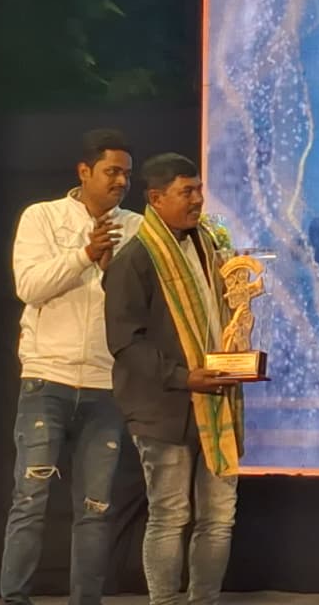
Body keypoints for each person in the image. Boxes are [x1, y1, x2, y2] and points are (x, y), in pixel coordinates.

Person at [1, 129, 140, 605]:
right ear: (84, 172)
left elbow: (142, 306)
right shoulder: (42, 217)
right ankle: (15, 599)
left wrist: (111, 269)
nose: (121, 181)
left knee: (96, 508)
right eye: (112, 171)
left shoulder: (138, 228)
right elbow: (29, 286)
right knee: (30, 500)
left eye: (126, 174)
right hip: (47, 380)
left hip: (105, 384)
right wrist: (84, 255)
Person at [103, 153, 244, 605]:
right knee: (170, 516)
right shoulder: (135, 259)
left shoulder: (210, 247)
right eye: (187, 192)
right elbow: (125, 343)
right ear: (156, 198)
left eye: (199, 189)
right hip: (163, 408)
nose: (198, 200)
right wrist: (184, 378)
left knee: (219, 518)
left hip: (217, 400)